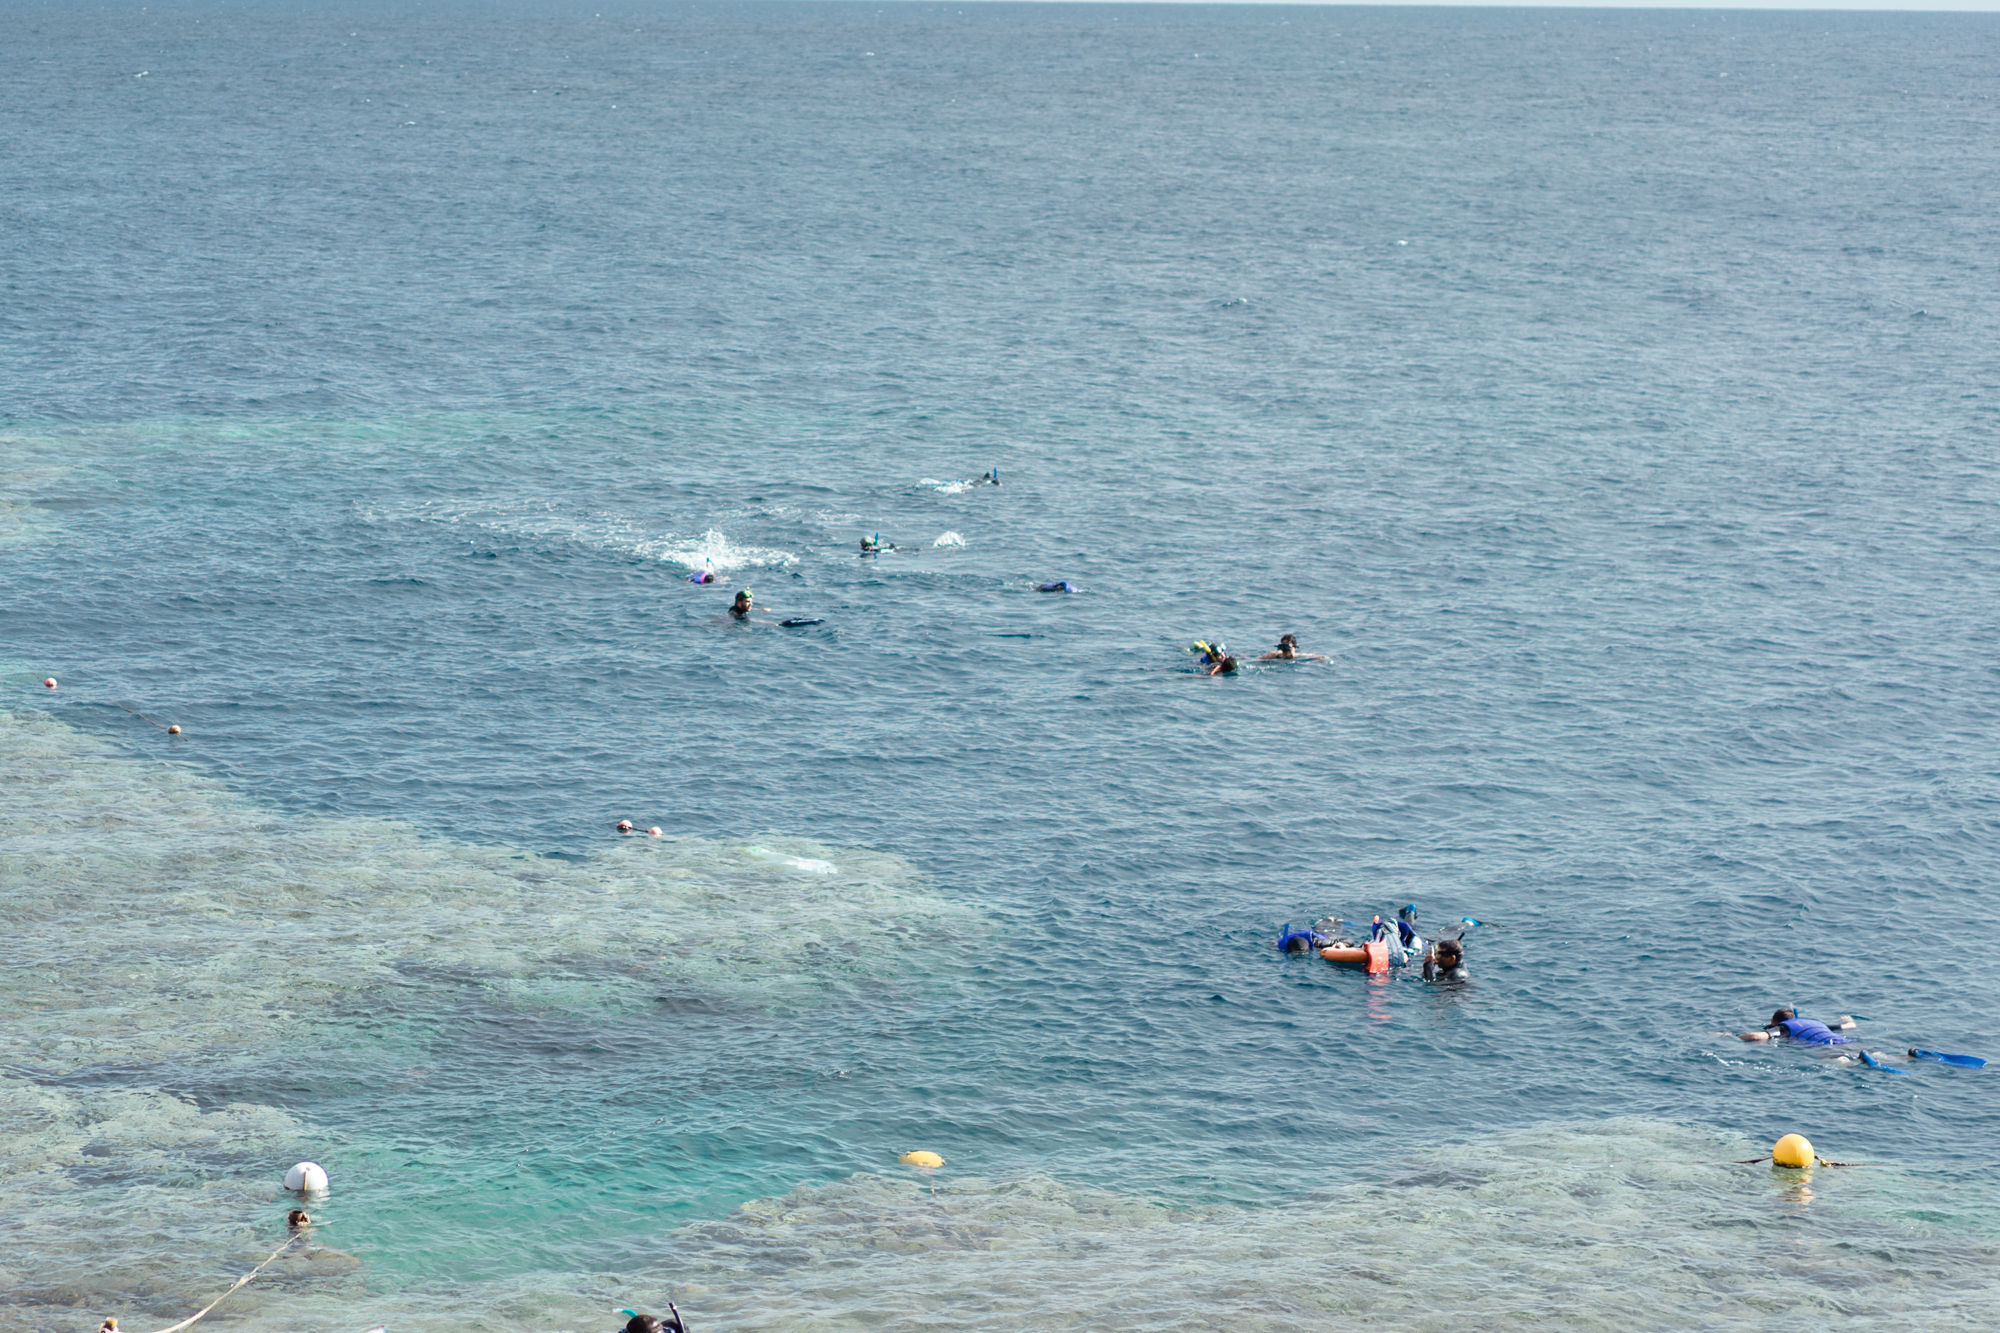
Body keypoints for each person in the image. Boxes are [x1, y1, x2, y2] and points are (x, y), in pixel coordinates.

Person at [1739, 1009, 1857, 1045]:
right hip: (1846, 1042)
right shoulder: (1815, 1023)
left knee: (1843, 1061)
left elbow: (1755, 1036)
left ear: (1772, 1021)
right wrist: (1849, 1020)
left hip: (1825, 1047)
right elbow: (1850, 1026)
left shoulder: (1783, 1028)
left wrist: (1735, 1036)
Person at [1258, 634, 1329, 662]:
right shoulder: (1276, 655)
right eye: (1283, 646)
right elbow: (1257, 659)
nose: (1285, 649)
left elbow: (1323, 657)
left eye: (1287, 646)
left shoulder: (1301, 656)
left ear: (1294, 648)